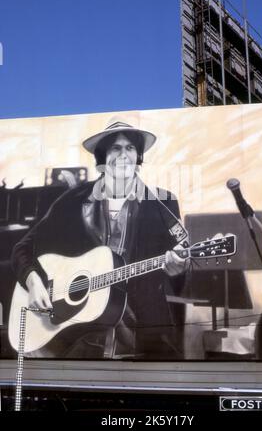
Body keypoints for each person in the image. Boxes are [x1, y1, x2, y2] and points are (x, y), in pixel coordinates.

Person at [12, 121, 188, 359]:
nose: (123, 155)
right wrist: (33, 281)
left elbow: (182, 261)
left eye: (130, 148)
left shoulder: (161, 202)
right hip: (76, 330)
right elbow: (23, 248)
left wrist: (178, 268)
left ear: (138, 156)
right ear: (103, 156)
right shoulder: (73, 200)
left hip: (142, 331)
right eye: (115, 148)